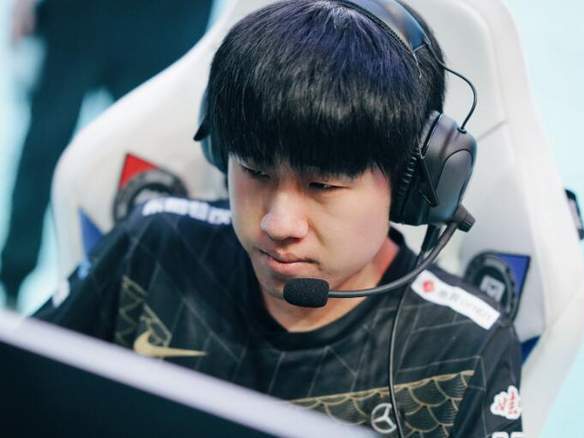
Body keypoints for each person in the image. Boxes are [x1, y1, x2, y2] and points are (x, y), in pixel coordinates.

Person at [34, 1, 523, 436]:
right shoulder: (154, 248)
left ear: (410, 183)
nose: (278, 224)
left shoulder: (463, 350)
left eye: (322, 185)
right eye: (255, 170)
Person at [1, 0, 214, 309]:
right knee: (46, 141)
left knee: (150, 161)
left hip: (168, 17)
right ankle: (13, 279)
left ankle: (137, 289)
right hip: (84, 14)